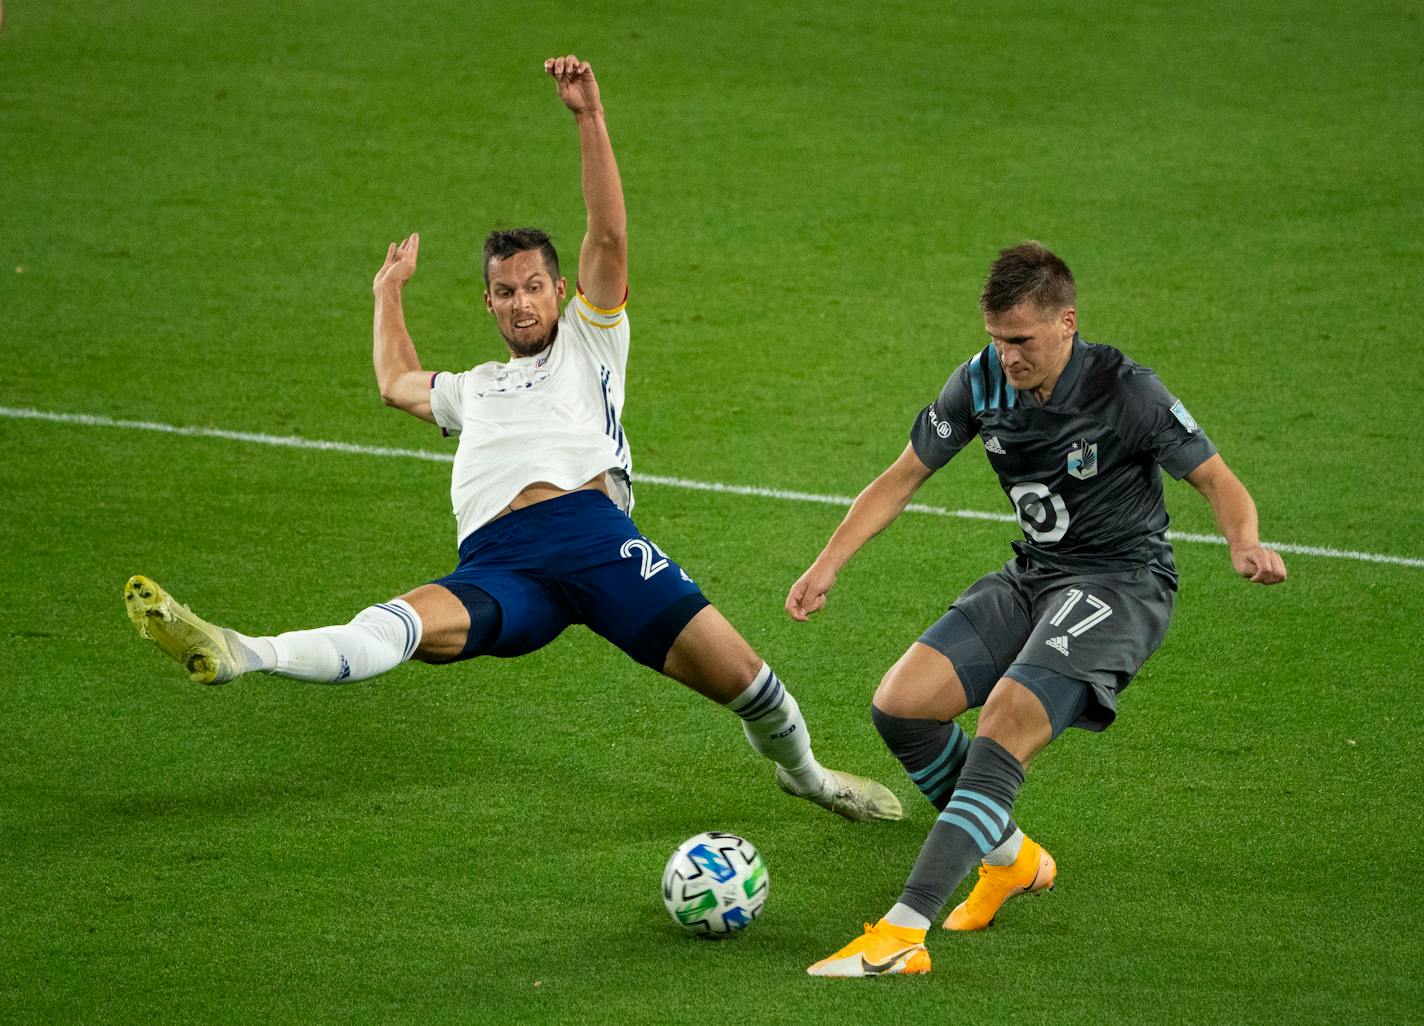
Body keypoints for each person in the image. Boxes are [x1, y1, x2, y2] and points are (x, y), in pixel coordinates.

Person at [124, 55, 901, 826]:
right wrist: (386, 292)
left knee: (750, 682)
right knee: (396, 627)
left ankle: (808, 777)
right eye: (506, 292)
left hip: (594, 536)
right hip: (498, 562)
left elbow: (610, 234)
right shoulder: (475, 388)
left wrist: (589, 118)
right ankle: (241, 650)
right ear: (489, 302)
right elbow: (396, 383)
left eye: (534, 287)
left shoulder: (591, 342)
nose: (522, 303)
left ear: (558, 290)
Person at [786, 242, 1286, 976]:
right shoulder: (981, 381)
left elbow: (1217, 478)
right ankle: (1011, 859)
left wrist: (1244, 541)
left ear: (1066, 324)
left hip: (1120, 585)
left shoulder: (1128, 391)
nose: (1006, 356)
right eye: (996, 339)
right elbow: (902, 476)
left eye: (1020, 341)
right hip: (1036, 575)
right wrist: (828, 562)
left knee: (1004, 722)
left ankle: (901, 934)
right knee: (902, 707)